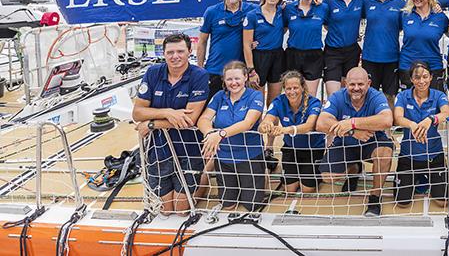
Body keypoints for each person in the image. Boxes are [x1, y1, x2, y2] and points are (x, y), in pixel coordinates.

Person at [133, 33, 208, 213]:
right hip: (158, 150)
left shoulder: (199, 75)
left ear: (190, 51)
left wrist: (151, 124)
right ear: (164, 53)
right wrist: (169, 112)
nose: (175, 56)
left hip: (189, 149)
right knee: (165, 210)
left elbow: (189, 120)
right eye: (170, 52)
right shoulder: (152, 73)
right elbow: (137, 113)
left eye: (181, 51)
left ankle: (205, 177)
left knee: (181, 209)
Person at [316, 67, 394, 217]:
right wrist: (353, 131)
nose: (356, 88)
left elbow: (387, 120)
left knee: (384, 154)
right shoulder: (337, 97)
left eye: (360, 84)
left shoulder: (376, 96)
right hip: (346, 141)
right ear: (345, 83)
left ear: (369, 83)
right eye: (352, 85)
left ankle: (374, 198)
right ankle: (354, 168)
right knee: (328, 176)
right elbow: (321, 123)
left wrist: (352, 122)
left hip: (372, 140)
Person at [197, 61, 265, 211]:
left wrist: (220, 134)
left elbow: (247, 123)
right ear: (224, 80)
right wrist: (210, 134)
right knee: (228, 205)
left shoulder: (256, 96)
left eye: (237, 79)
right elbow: (203, 119)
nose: (233, 83)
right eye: (229, 79)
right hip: (224, 158)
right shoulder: (220, 96)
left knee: (252, 206)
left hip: (249, 157)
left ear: (245, 77)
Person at [393, 61, 449, 207]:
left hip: (434, 155)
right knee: (402, 203)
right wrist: (412, 125)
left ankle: (425, 179)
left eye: (425, 76)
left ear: (431, 77)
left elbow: (447, 113)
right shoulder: (403, 96)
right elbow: (397, 117)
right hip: (409, 156)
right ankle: (419, 179)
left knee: (443, 202)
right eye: (417, 77)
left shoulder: (439, 95)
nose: (421, 81)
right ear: (411, 79)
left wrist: (431, 119)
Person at [243, 0, 286, 171]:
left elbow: (283, 29)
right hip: (258, 61)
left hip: (277, 57)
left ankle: (269, 146)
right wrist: (251, 70)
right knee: (258, 106)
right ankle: (256, 146)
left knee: (274, 105)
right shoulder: (252, 15)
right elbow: (246, 43)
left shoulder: (282, 13)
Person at [262, 70, 325, 194]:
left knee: (307, 190)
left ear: (302, 87)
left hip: (312, 149)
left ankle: (316, 172)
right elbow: (266, 120)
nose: (292, 92)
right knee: (289, 189)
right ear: (284, 89)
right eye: (288, 88)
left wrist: (286, 129)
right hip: (291, 148)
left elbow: (309, 126)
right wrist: (266, 125)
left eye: (295, 87)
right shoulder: (279, 101)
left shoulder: (314, 102)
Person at [197, 0, 257, 98]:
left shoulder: (252, 10)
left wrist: (258, 42)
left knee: (238, 111)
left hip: (239, 73)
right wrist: (199, 68)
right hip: (215, 70)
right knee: (211, 109)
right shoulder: (212, 12)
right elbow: (202, 41)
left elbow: (270, 19)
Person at [362, 0, 405, 106]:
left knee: (390, 95)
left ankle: (388, 126)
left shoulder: (400, 2)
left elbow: (403, 26)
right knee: (369, 96)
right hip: (370, 58)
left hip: (391, 58)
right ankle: (370, 126)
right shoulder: (367, 2)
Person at [398, 0, 449, 92]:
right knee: (408, 103)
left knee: (434, 104)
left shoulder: (440, 17)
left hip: (433, 66)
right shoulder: (405, 15)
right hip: (407, 65)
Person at [322, 0, 365, 96]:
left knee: (348, 93)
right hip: (332, 52)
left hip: (352, 52)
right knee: (334, 96)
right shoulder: (329, 0)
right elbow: (325, 24)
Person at [284, 0, 329, 96]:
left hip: (314, 56)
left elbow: (331, 27)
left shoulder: (323, 8)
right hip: (293, 55)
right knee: (293, 95)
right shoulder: (288, 8)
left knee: (310, 96)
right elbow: (279, 29)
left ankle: (309, 116)